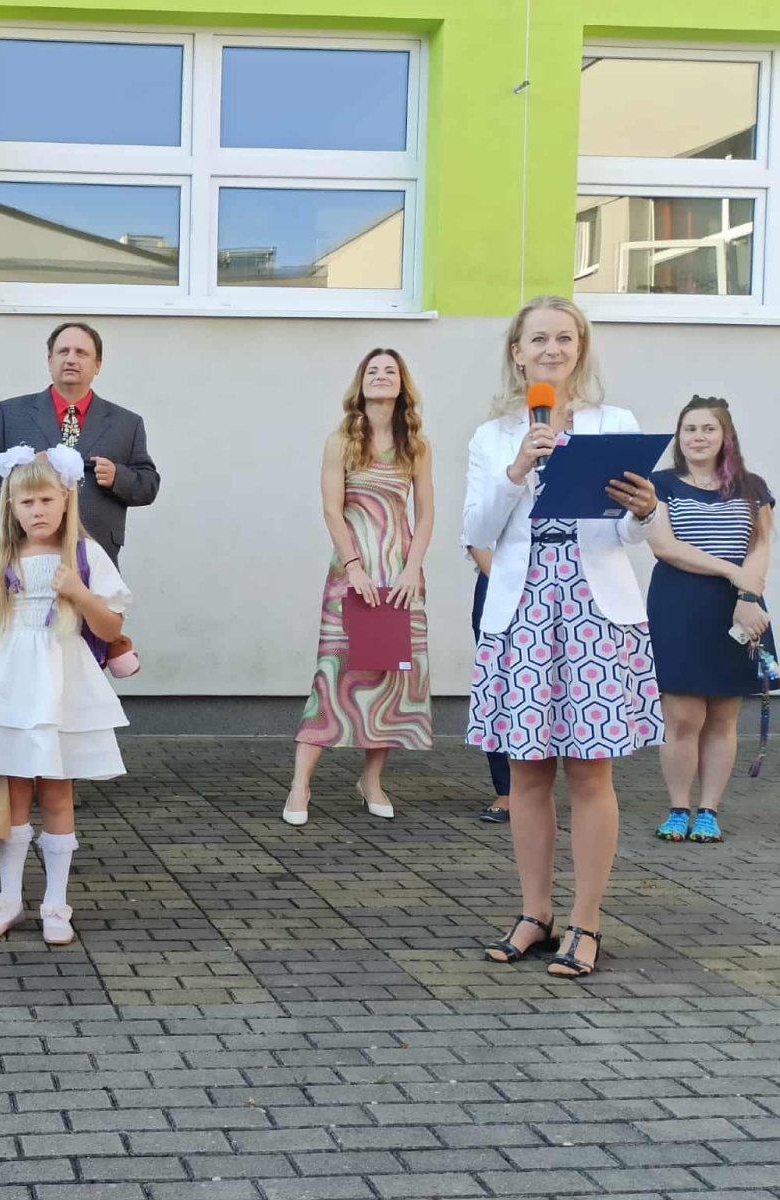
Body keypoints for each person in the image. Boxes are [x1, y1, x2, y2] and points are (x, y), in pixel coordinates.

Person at [464, 295, 664, 980]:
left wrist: (645, 512)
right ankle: (534, 913)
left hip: (594, 611)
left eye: (565, 338)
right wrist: (518, 467)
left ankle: (586, 921)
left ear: (580, 349)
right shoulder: (493, 436)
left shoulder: (616, 424)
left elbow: (626, 532)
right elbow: (476, 531)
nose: (552, 349)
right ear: (517, 352)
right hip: (522, 609)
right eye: (538, 339)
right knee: (526, 770)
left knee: (589, 769)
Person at [0, 446, 131, 947]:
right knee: (13, 793)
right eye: (26, 502)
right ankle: (9, 898)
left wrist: (80, 594)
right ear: (11, 507)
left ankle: (55, 903)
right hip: (12, 689)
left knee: (56, 791)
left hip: (63, 686)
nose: (37, 510)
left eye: (46, 499)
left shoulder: (86, 557)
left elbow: (112, 627)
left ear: (67, 498)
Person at [284, 349, 434, 826]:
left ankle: (371, 780)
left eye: (390, 371)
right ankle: (300, 784)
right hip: (352, 575)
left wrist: (412, 569)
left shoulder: (416, 445)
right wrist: (354, 567)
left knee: (389, 681)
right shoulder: (341, 441)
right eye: (373, 370)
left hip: (400, 577)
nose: (382, 376)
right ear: (361, 383)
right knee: (333, 675)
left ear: (402, 384)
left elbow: (426, 514)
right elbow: (332, 510)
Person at [645, 396, 773, 845]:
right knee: (682, 716)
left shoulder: (752, 486)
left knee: (722, 715)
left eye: (707, 429)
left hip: (738, 609)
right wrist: (732, 572)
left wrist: (747, 595)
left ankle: (709, 811)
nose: (698, 437)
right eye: (689, 429)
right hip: (678, 606)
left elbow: (760, 548)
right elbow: (665, 547)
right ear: (679, 437)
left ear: (725, 436)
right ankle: (678, 808)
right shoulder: (660, 484)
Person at [0, 322, 159, 566]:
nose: (71, 359)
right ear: (50, 361)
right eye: (63, 351)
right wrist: (21, 469)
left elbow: (148, 485)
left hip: (97, 553)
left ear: (98, 365)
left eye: (81, 353)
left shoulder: (126, 423)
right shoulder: (11, 413)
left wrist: (117, 477)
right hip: (26, 551)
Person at [469, 547, 513, 822]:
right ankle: (507, 789)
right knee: (497, 686)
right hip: (498, 578)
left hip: (561, 579)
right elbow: (474, 538)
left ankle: (539, 786)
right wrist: (507, 584)